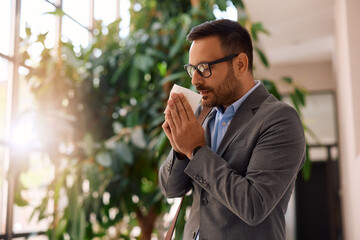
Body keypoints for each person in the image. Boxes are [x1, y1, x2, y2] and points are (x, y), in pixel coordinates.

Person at [159, 19, 305, 240]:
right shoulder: (202, 113)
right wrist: (180, 149)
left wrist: (196, 151)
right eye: (192, 69)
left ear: (240, 64)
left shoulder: (280, 119)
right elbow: (171, 189)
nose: (196, 80)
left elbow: (254, 206)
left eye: (204, 68)